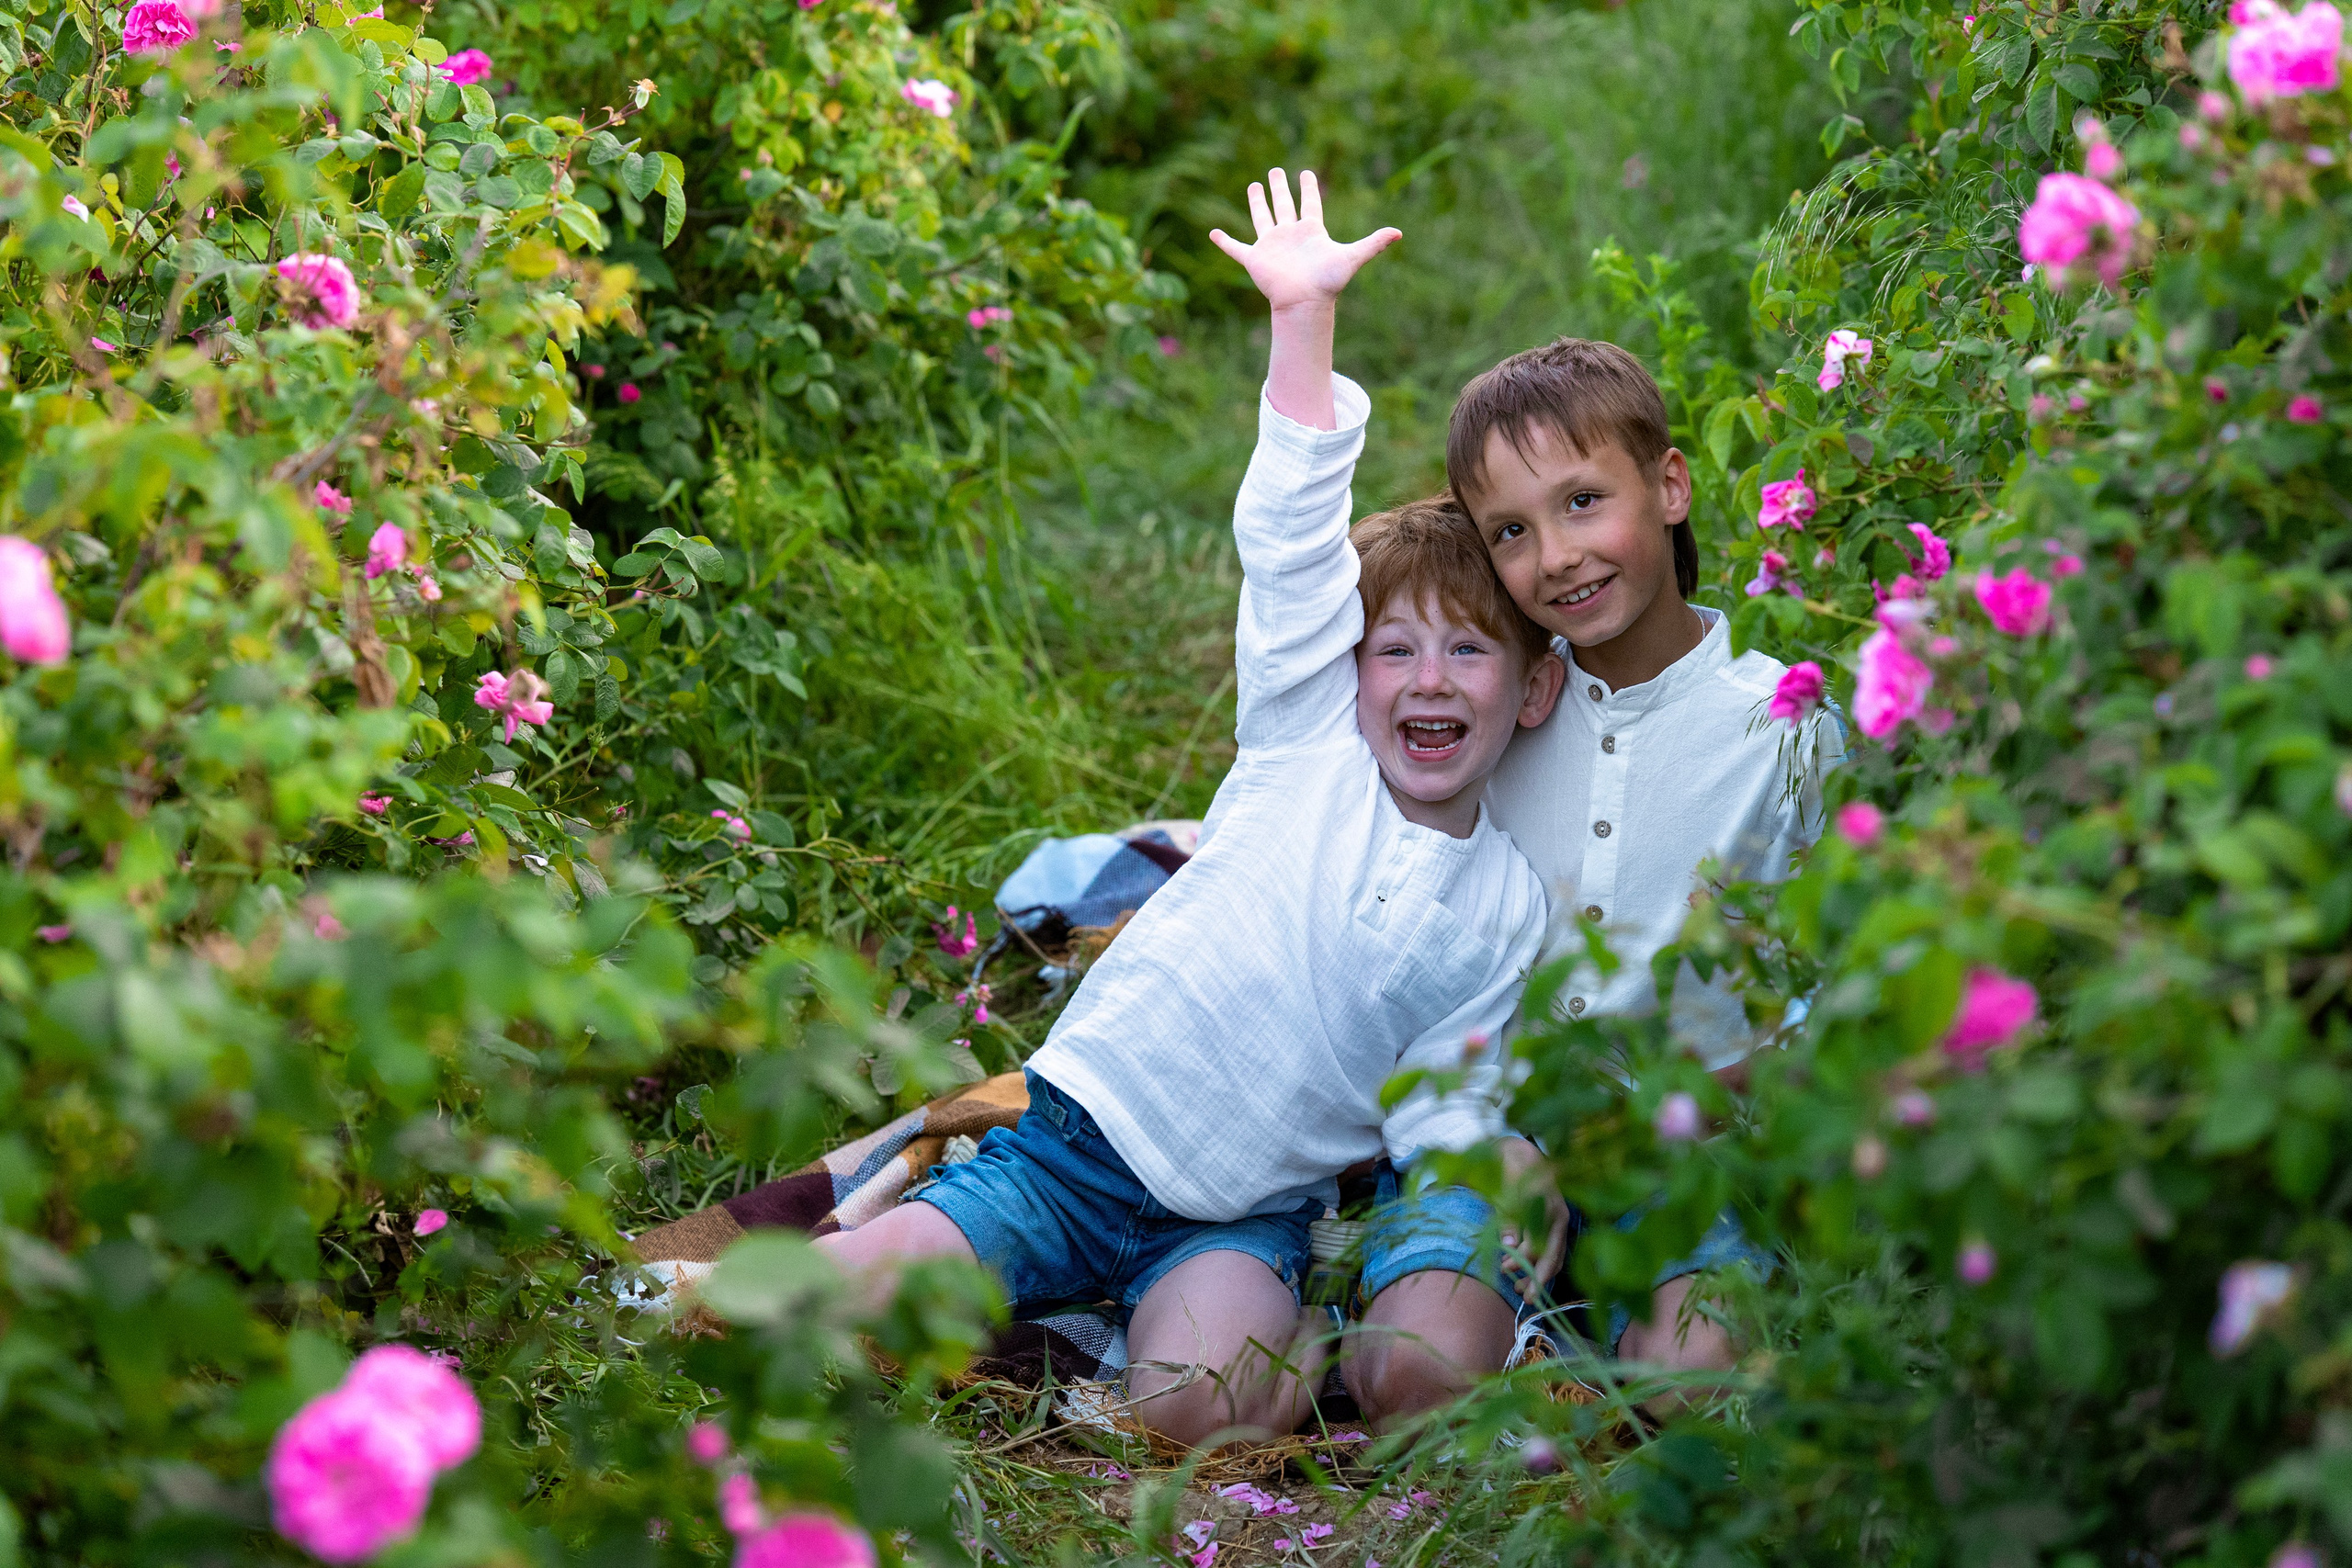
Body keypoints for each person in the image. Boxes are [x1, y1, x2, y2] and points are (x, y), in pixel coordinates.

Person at [813, 167, 1566, 1451]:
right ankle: (643, 1306)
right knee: (847, 1303)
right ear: (1348, 670)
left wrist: (1494, 1211)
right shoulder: (1302, 745)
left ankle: (1283, 1321)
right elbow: (1287, 538)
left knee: (1206, 1408)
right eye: (1396, 650)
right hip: (1072, 1152)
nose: (1428, 681)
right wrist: (1302, 321)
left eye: (1470, 654)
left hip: (1242, 1209)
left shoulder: (1508, 903)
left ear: (1537, 689)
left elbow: (1445, 1098)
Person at [1342, 338, 1845, 1427]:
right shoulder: (1504, 705)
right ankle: (1484, 1307)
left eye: (1582, 502)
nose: (1556, 556)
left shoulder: (1781, 726)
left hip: (1682, 1148)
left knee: (1699, 1378)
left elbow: (1833, 973)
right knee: (1405, 1378)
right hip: (1493, 1128)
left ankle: (1584, 1336)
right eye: (1512, 532)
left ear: (1669, 486)